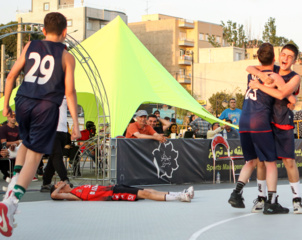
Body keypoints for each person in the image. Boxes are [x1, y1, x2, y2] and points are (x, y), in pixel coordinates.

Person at [0, 12, 81, 237]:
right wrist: (75, 123)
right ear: (65, 32)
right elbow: (70, 91)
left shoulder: (29, 46)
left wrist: (5, 104)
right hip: (46, 106)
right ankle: (11, 204)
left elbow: (10, 77)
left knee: (26, 142)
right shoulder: (66, 57)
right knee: (35, 159)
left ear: (43, 31)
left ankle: (13, 182)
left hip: (23, 100)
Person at [228, 43, 289, 214]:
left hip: (244, 120)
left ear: (258, 57)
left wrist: (260, 75)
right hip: (259, 120)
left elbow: (249, 67)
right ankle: (271, 202)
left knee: (251, 161)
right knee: (270, 163)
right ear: (275, 58)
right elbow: (284, 93)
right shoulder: (275, 76)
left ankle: (236, 193)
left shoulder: (252, 73)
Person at [247, 43, 302, 214]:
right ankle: (261, 198)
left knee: (289, 162)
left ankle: (297, 200)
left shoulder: (295, 77)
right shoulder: (273, 69)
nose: (285, 58)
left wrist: (260, 85)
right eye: (283, 55)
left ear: (295, 60)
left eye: (290, 56)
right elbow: (249, 67)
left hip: (283, 122)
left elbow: (281, 94)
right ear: (279, 55)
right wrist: (260, 75)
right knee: (262, 162)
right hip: (265, 121)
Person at [50, 181, 194, 202]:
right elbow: (53, 195)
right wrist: (58, 187)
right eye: (57, 184)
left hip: (113, 188)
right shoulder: (72, 195)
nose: (60, 182)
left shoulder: (78, 187)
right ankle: (180, 197)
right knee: (146, 194)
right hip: (113, 195)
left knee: (146, 190)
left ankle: (178, 193)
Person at [41, 97, 73, 192]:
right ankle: (65, 179)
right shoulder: (46, 91)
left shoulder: (65, 92)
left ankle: (46, 183)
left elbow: (72, 104)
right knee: (57, 155)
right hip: (50, 129)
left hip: (63, 130)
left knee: (53, 158)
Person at [0, 114, 21, 180]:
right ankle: (7, 172)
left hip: (16, 149)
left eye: (15, 116)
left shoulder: (18, 129)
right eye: (11, 117)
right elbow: (4, 143)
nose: (13, 118)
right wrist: (17, 142)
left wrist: (15, 144)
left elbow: (21, 142)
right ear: (8, 118)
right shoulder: (3, 128)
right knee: (4, 151)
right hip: (5, 149)